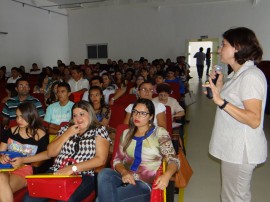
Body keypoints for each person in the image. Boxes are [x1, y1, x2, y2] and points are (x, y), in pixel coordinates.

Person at [206, 27, 267, 202]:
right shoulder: (237, 75)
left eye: (224, 44)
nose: (219, 49)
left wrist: (221, 101)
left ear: (237, 47)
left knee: (235, 198)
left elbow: (254, 119)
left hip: (241, 150)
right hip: (233, 147)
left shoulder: (251, 76)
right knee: (230, 196)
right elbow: (232, 106)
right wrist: (219, 91)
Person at [23, 101, 111, 202]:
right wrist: (67, 134)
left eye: (82, 114)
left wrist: (72, 168)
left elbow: (100, 159)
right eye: (75, 115)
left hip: (83, 175)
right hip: (57, 172)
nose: (78, 119)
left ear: (90, 114)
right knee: (29, 198)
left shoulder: (99, 130)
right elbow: (51, 152)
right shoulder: (66, 129)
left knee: (65, 199)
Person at [96, 98, 179, 202]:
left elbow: (173, 160)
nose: (137, 116)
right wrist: (124, 173)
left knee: (101, 199)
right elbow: (117, 160)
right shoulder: (126, 133)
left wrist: (166, 176)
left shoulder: (159, 133)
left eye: (143, 113)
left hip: (144, 183)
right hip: (124, 177)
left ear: (151, 117)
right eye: (135, 112)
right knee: (104, 173)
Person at [0, 102, 50, 202]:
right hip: (5, 167)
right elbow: (1, 151)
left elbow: (47, 155)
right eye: (17, 116)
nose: (18, 120)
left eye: (22, 117)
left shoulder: (40, 134)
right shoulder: (10, 131)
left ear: (31, 116)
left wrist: (23, 160)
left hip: (24, 169)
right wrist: (2, 157)